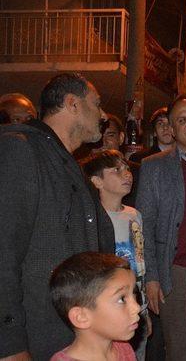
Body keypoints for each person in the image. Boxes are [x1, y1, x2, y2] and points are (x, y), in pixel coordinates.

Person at [0, 73, 115, 360]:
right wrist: (10, 344)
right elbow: (4, 251)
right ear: (72, 104)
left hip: (72, 337)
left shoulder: (68, 164)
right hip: (38, 340)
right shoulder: (20, 149)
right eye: (97, 104)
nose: (103, 115)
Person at [136, 95, 186, 361]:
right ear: (172, 129)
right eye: (182, 120)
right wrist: (152, 277)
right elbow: (145, 225)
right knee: (179, 350)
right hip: (176, 272)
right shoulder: (154, 167)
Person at [82, 150, 150, 360]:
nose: (127, 174)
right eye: (116, 170)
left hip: (136, 304)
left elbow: (140, 262)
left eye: (127, 169)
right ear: (96, 181)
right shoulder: (90, 218)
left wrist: (144, 311)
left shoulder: (134, 214)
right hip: (107, 310)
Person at [49, 252, 140, 361]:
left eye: (134, 293)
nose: (137, 308)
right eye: (122, 299)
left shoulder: (124, 348)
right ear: (81, 317)